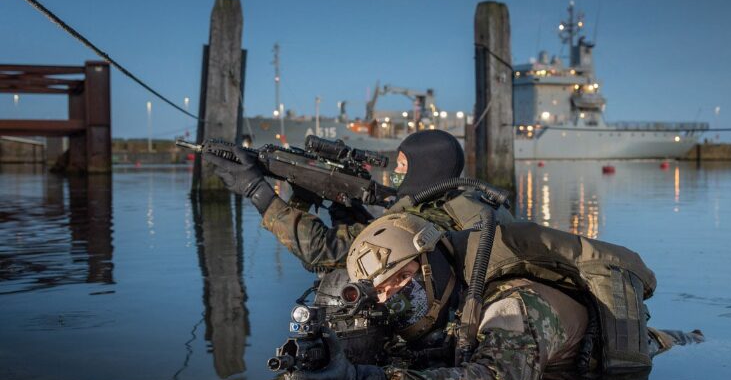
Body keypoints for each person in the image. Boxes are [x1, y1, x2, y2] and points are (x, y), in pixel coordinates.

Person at [283, 213, 703, 380]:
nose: (393, 294)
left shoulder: (514, 303)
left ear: (432, 263)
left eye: (401, 277)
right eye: (382, 289)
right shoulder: (452, 300)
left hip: (653, 353)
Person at [204, 129, 514, 273]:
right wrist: (346, 209)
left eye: (404, 165)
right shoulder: (463, 201)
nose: (396, 172)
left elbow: (321, 252)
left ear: (427, 168)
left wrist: (257, 192)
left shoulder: (428, 219)